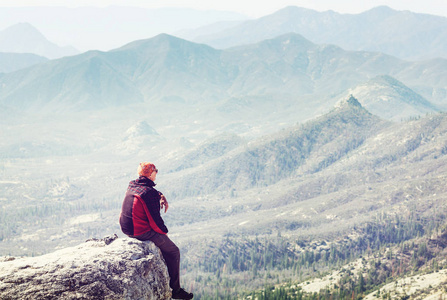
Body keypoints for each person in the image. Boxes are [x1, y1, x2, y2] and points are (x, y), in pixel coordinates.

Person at [119, 162, 193, 300]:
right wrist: (164, 233)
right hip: (139, 231)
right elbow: (155, 221)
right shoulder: (149, 193)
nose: (157, 173)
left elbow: (146, 192)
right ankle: (176, 290)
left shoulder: (133, 184)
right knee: (173, 250)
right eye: (155, 171)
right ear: (150, 174)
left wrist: (159, 195)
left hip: (126, 227)